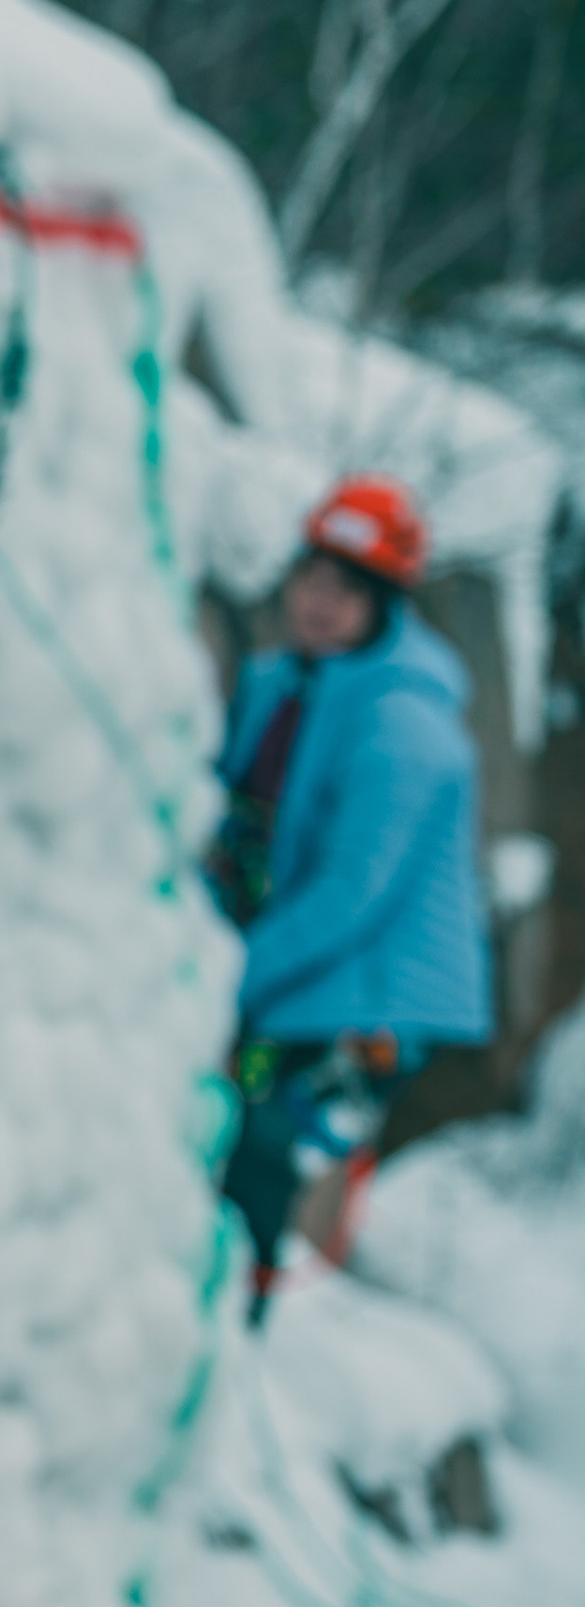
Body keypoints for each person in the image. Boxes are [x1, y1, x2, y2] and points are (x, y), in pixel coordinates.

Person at [205, 475, 490, 1319]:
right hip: (302, 968)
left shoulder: (406, 727)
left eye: (349, 591)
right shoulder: (281, 683)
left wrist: (231, 978)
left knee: (261, 1144)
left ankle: (238, 1318)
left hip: (368, 996)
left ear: (385, 607)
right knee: (236, 1128)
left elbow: (349, 893)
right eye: (313, 580)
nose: (322, 605)